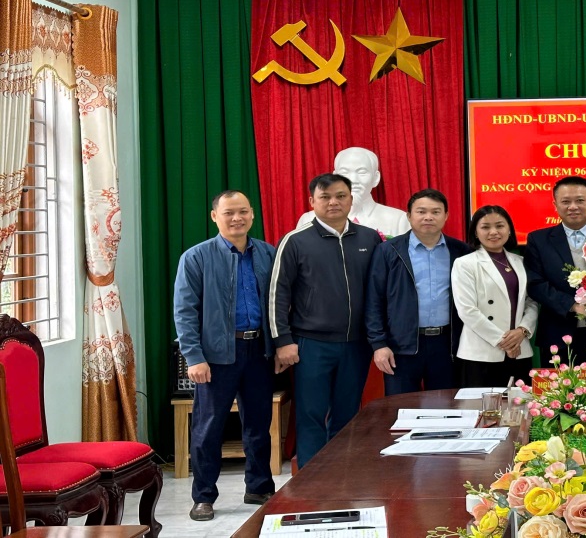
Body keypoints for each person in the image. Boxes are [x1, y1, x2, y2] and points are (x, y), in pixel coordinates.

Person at [172, 190, 277, 522]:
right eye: (229, 212)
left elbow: (280, 303)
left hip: (259, 351)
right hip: (216, 355)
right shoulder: (196, 257)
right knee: (209, 427)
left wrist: (278, 346)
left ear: (252, 214)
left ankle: (259, 488)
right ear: (214, 216)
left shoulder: (268, 253)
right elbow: (184, 312)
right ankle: (203, 496)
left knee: (259, 424)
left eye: (243, 211)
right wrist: (194, 357)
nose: (237, 218)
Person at [268, 173, 382, 465]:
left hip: (356, 345)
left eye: (340, 196)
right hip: (311, 344)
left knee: (347, 415)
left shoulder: (369, 238)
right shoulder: (295, 241)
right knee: (311, 414)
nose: (334, 202)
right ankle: (310, 480)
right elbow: (277, 293)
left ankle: (340, 476)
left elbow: (378, 290)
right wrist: (283, 341)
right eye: (325, 197)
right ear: (312, 201)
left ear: (351, 199)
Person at [365, 188, 472, 395]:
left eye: (435, 212)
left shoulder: (460, 251)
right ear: (409, 216)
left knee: (445, 407)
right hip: (401, 345)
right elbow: (374, 300)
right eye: (421, 211)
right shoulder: (389, 250)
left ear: (446, 216)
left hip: (447, 345)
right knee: (401, 406)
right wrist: (379, 344)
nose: (428, 217)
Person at [525, 176, 586, 366]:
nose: (573, 207)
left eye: (580, 200)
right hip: (558, 332)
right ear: (555, 205)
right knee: (560, 385)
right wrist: (572, 305)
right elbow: (535, 284)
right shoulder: (538, 239)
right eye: (565, 201)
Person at [452, 205, 539, 387]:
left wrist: (522, 330)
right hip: (481, 353)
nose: (493, 232)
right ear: (476, 232)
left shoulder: (521, 262)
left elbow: (532, 302)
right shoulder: (465, 263)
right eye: (485, 227)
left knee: (520, 404)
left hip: (520, 350)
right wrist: (504, 341)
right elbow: (467, 310)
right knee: (480, 404)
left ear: (509, 230)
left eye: (500, 226)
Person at [295, 147, 410, 236]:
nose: (353, 180)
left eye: (362, 172)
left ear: (376, 178)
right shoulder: (309, 220)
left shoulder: (398, 220)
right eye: (344, 172)